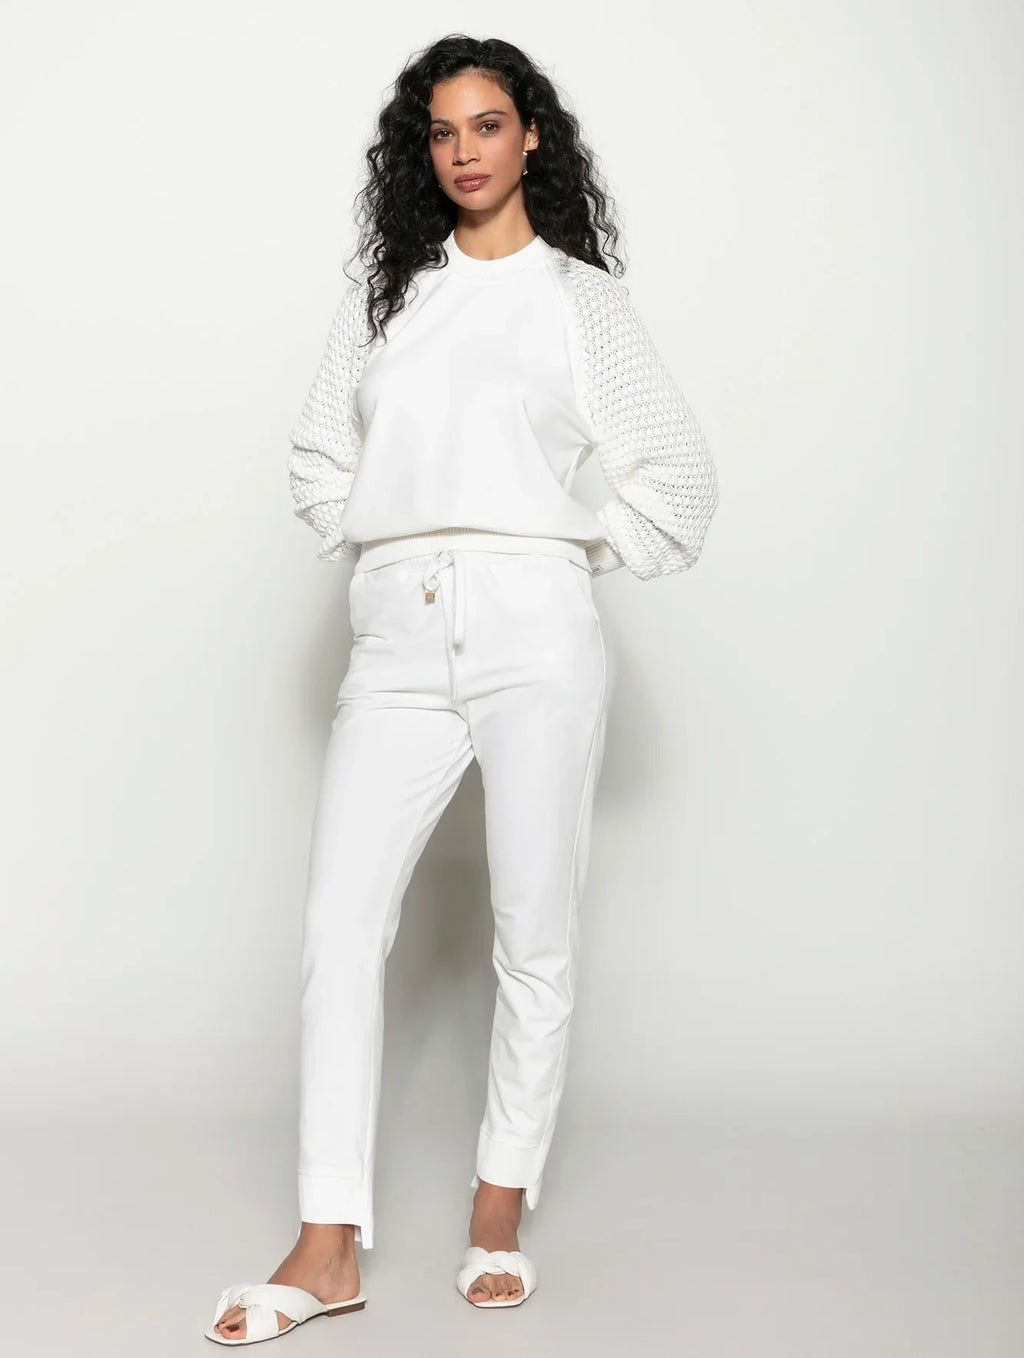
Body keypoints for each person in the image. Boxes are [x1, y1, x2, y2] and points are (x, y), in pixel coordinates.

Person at [206, 32, 718, 1344]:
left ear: (532, 135)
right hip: (395, 640)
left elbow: (677, 482)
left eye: (488, 124)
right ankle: (328, 1243)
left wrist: (559, 548)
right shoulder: (391, 294)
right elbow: (319, 453)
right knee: (338, 928)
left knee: (531, 929)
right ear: (422, 152)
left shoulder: (579, 301)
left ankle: (498, 1210)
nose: (464, 151)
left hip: (535, 632)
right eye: (442, 132)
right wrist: (386, 542)